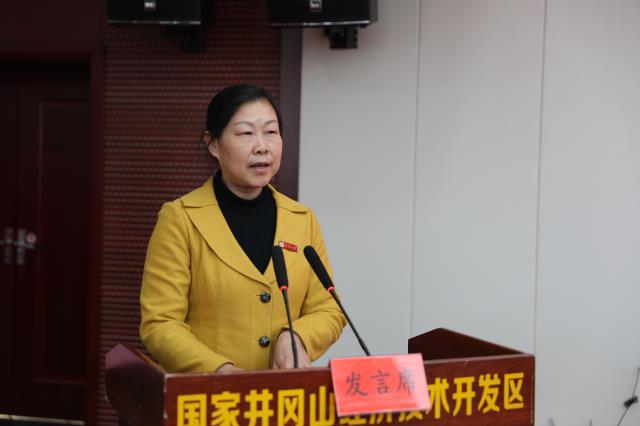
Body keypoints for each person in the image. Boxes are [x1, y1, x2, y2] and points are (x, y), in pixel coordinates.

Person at [139, 84, 346, 373]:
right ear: (213, 144)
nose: (262, 146)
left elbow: (328, 309)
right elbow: (160, 323)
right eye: (246, 133)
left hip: (285, 396)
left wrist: (296, 336)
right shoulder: (180, 219)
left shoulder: (302, 219)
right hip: (212, 396)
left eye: (271, 132)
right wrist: (219, 371)